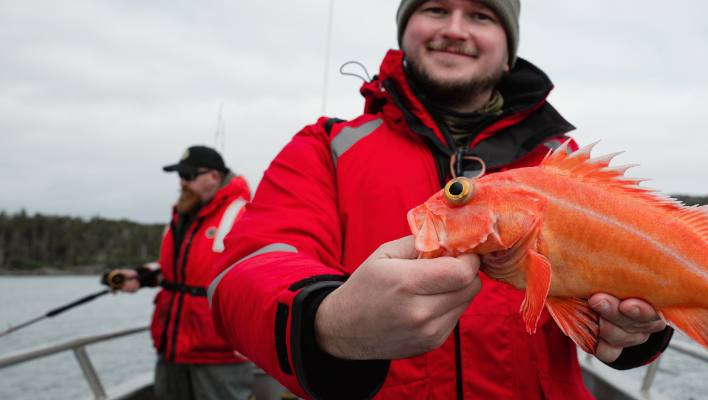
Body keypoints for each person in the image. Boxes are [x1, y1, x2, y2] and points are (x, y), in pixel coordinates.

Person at [208, 1, 674, 399]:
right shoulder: (326, 147)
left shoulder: (563, 166)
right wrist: (327, 320)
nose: (455, 29)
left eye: (480, 16)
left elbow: (640, 276)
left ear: (508, 48)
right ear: (405, 28)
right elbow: (244, 272)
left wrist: (635, 334)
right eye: (435, 9)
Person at [109, 145, 254, 400]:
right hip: (173, 347)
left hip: (219, 354)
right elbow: (174, 269)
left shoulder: (242, 214)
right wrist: (140, 277)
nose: (182, 182)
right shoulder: (181, 217)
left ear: (213, 176)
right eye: (180, 176)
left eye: (188, 175)